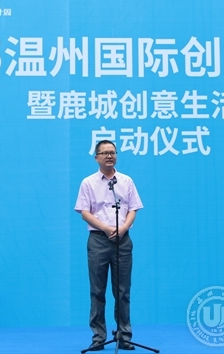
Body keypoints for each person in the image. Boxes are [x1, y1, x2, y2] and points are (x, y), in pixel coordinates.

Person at [75, 140, 143, 351]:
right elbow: (84, 211)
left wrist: (123, 228)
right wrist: (105, 228)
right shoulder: (88, 182)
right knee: (97, 290)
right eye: (104, 153)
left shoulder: (126, 181)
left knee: (123, 291)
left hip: (123, 240)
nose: (109, 156)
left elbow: (133, 208)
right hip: (98, 240)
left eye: (112, 152)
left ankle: (124, 335)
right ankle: (98, 337)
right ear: (96, 157)